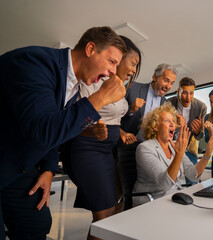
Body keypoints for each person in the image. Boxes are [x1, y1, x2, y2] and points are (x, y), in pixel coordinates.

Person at [0, 26, 127, 240]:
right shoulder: (34, 62)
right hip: (6, 157)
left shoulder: (74, 87)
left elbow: (54, 128)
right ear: (90, 49)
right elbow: (42, 132)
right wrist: (100, 99)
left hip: (17, 164)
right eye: (112, 61)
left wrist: (49, 169)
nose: (115, 71)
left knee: (37, 222)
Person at [61, 36, 141, 240]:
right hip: (87, 149)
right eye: (132, 63)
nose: (133, 70)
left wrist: (121, 132)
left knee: (108, 214)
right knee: (105, 215)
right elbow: (73, 117)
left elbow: (113, 119)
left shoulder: (121, 89)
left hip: (108, 152)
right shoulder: (94, 80)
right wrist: (91, 130)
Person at [133, 103, 213, 205]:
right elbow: (165, 184)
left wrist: (208, 151)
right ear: (155, 126)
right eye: (166, 121)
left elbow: (193, 175)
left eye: (173, 121)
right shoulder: (144, 148)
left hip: (175, 197)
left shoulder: (174, 146)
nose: (172, 124)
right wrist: (179, 154)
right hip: (152, 200)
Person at [117, 64, 177, 209]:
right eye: (166, 80)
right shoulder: (133, 88)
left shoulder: (165, 103)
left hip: (150, 151)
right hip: (127, 147)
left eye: (172, 83)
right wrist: (131, 110)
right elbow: (113, 113)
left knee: (146, 190)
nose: (168, 86)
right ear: (155, 77)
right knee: (128, 191)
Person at [168, 77, 207, 184]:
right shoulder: (168, 103)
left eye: (191, 93)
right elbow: (163, 129)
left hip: (189, 149)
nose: (188, 97)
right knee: (170, 181)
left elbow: (200, 137)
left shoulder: (201, 107)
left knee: (193, 181)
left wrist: (198, 131)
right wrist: (176, 125)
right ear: (178, 91)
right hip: (170, 147)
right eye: (184, 93)